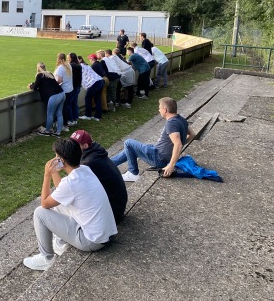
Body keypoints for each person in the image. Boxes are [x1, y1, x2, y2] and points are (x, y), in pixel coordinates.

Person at [23, 138, 117, 271]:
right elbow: (62, 192)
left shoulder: (71, 183)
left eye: (56, 157)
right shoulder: (85, 170)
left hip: (91, 241)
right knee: (58, 202)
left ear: (61, 160)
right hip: (105, 234)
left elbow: (44, 203)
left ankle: (46, 259)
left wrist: (47, 175)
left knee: (40, 213)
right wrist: (55, 172)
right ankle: (61, 243)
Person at [111, 97, 196, 181]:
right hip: (158, 152)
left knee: (128, 143)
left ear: (165, 110)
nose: (159, 110)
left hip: (159, 158)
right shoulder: (181, 119)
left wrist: (171, 165)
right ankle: (108, 163)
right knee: (131, 148)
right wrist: (174, 147)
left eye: (159, 108)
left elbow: (178, 144)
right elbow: (192, 134)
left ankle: (133, 173)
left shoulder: (171, 123)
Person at [70, 130, 128, 224]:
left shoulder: (89, 163)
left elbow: (73, 188)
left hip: (112, 213)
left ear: (85, 146)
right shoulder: (95, 153)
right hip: (117, 206)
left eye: (75, 145)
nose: (71, 148)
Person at [28, 62, 65, 136]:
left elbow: (35, 87)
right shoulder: (50, 74)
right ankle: (58, 132)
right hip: (62, 93)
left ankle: (47, 131)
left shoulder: (39, 75)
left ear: (38, 68)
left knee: (50, 114)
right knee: (59, 113)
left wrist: (30, 86)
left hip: (54, 96)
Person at [54, 53, 74, 131]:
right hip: (69, 89)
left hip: (64, 90)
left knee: (62, 109)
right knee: (66, 107)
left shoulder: (60, 68)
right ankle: (66, 123)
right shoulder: (68, 65)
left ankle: (63, 125)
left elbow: (59, 80)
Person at [67, 53, 82, 125]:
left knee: (69, 103)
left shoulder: (72, 66)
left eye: (68, 57)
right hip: (78, 86)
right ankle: (75, 118)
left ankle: (70, 119)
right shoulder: (78, 65)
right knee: (74, 103)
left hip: (73, 87)